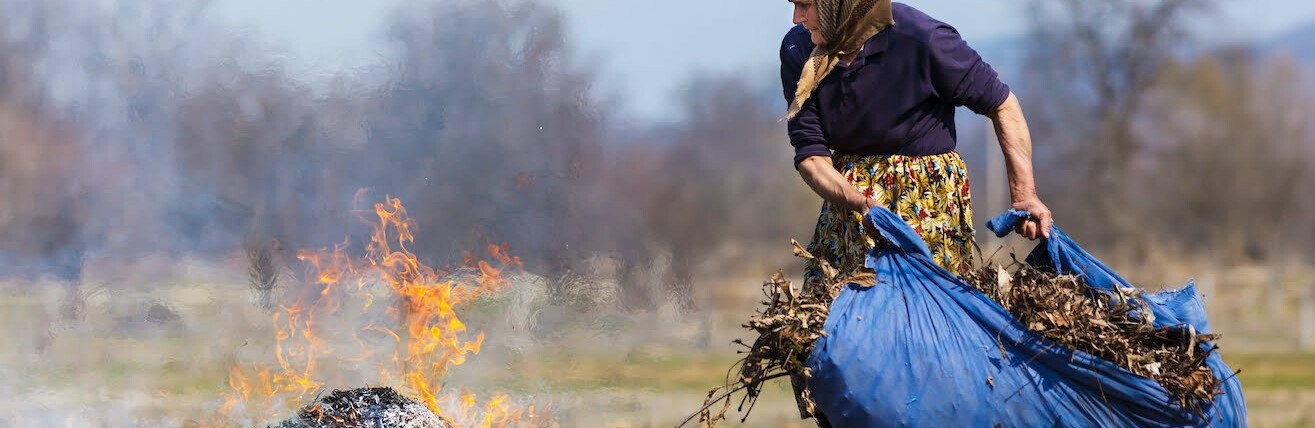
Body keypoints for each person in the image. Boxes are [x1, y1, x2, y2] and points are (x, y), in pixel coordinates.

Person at [781, 0, 1053, 423]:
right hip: (849, 208)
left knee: (924, 343)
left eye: (805, 5)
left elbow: (1003, 105)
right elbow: (811, 156)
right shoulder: (800, 51)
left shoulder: (921, 38)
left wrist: (1024, 194)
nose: (796, 18)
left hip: (925, 208)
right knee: (823, 339)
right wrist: (862, 203)